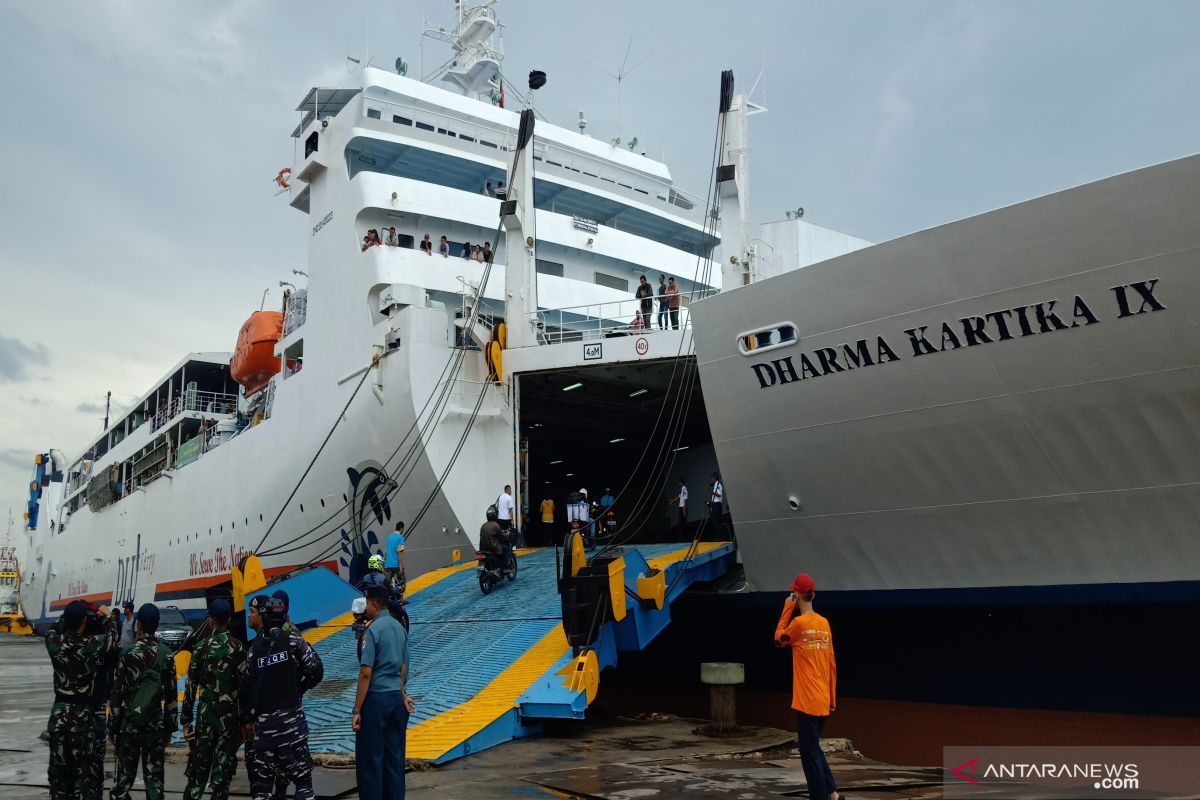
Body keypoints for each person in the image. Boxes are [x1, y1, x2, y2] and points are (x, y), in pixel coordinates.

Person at [241, 595, 324, 800]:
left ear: (265, 617)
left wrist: (248, 719)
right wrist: (299, 688)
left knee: (262, 789)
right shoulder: (294, 641)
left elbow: (246, 686)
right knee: (303, 784)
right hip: (292, 724)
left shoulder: (254, 650)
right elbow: (316, 670)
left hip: (264, 728)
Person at [774, 574, 839, 800]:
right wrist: (832, 698)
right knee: (815, 750)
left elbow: (778, 639)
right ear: (814, 595)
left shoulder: (798, 625)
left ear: (798, 595)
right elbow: (831, 662)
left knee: (808, 754)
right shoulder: (824, 623)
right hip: (822, 698)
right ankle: (833, 794)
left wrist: (786, 608)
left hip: (807, 701)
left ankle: (819, 797)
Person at [45, 599, 118, 800]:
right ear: (85, 622)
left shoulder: (54, 645)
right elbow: (113, 636)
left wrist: (67, 616)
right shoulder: (91, 645)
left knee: (59, 775)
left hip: (59, 715)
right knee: (84, 775)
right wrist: (107, 616)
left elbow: (52, 629)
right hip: (83, 716)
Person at [109, 603, 178, 800]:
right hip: (154, 725)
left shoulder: (127, 653)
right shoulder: (166, 654)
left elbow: (117, 694)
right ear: (157, 625)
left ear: (138, 624)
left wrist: (113, 728)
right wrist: (169, 728)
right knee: (154, 781)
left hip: (129, 724)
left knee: (123, 781)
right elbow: (171, 695)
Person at [353, 585, 415, 800]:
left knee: (371, 761)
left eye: (367, 603)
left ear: (374, 604)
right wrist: (403, 694)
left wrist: (357, 709)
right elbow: (404, 668)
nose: (366, 607)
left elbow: (365, 673)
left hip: (376, 702)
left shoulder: (372, 630)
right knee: (395, 759)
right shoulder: (400, 628)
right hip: (397, 701)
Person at [181, 598, 245, 800]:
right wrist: (245, 722)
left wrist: (186, 722)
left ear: (211, 621)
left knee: (198, 774)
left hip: (205, 719)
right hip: (229, 722)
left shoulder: (200, 648)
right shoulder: (238, 647)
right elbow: (245, 687)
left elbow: (190, 686)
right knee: (221, 778)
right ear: (229, 619)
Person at [385, 521, 407, 599]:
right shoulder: (400, 537)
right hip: (396, 564)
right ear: (401, 529)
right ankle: (401, 599)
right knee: (402, 581)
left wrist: (385, 565)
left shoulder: (389, 537)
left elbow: (386, 552)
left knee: (387, 584)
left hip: (388, 565)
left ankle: (386, 599)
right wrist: (401, 566)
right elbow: (399, 552)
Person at [709, 472, 725, 537]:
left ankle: (720, 536)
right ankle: (718, 536)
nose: (711, 478)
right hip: (714, 504)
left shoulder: (718, 484)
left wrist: (712, 492)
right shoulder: (715, 484)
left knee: (717, 521)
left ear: (714, 478)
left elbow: (719, 495)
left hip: (717, 505)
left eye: (712, 477)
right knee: (714, 521)